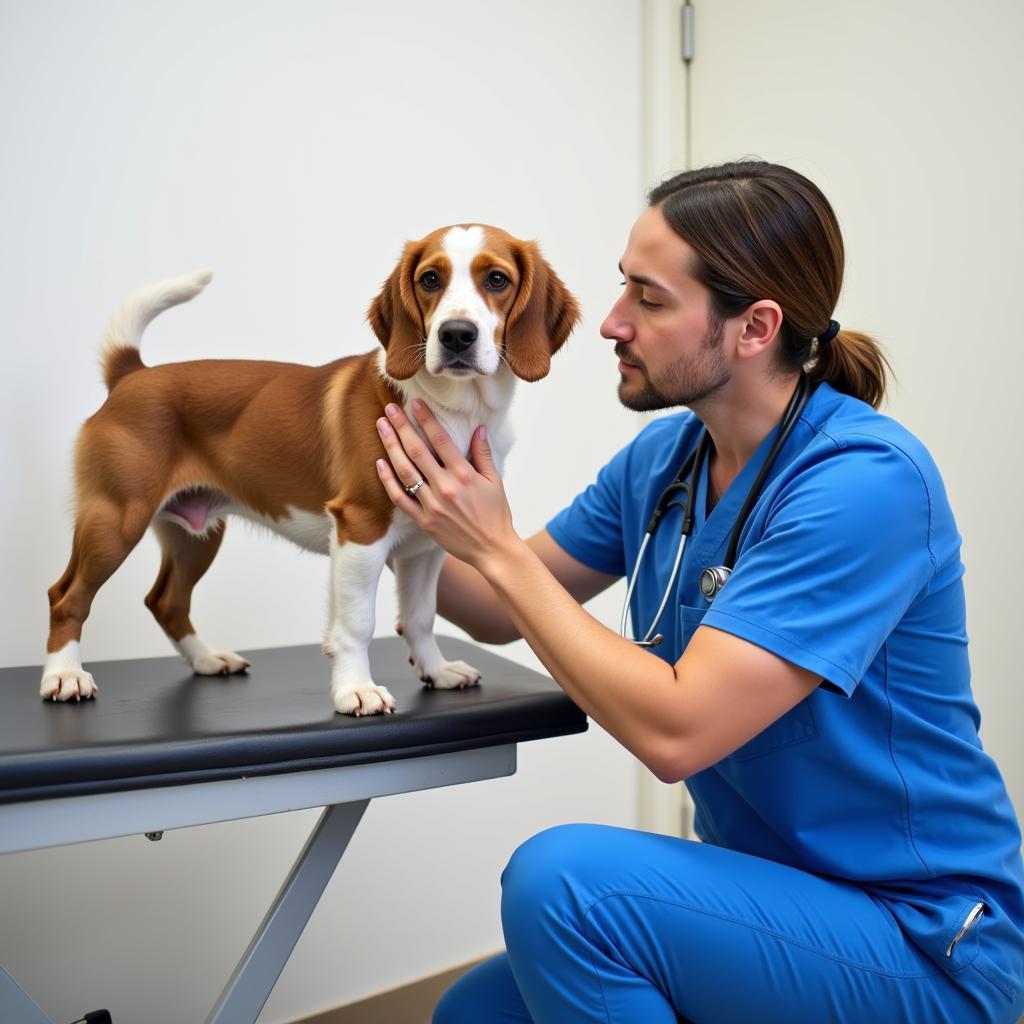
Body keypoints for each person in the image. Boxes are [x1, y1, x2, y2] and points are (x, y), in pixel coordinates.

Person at [372, 160, 1024, 1023]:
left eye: (647, 299)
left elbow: (678, 730)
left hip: (924, 941)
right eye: (621, 290)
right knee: (476, 1015)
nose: (609, 324)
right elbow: (496, 604)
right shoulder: (667, 461)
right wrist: (371, 506)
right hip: (773, 902)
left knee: (565, 889)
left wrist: (493, 543)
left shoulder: (866, 483)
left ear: (754, 327)